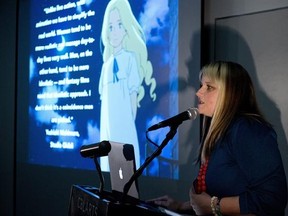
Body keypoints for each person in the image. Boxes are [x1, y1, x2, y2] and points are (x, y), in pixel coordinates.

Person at [148, 61, 287, 215]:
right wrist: (182, 206)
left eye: (209, 87)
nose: (199, 92)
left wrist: (215, 206)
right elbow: (227, 191)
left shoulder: (247, 129)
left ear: (231, 93)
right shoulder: (223, 131)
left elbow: (273, 198)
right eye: (201, 85)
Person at [98, 0, 157, 171]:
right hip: (107, 132)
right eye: (110, 27)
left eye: (119, 25)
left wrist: (126, 126)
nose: (115, 31)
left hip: (124, 129)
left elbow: (133, 97)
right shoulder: (106, 66)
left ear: (126, 29)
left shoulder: (130, 59)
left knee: (126, 173)